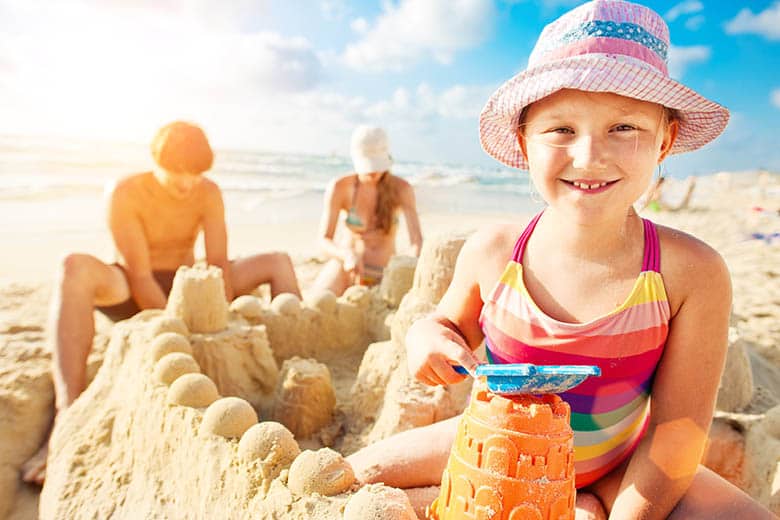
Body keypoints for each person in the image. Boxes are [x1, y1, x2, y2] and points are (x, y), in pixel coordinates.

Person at [347, 1, 774, 518]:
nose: (589, 156)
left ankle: (585, 502)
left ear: (665, 140)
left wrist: (628, 515)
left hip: (622, 465)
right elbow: (445, 325)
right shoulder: (494, 253)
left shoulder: (690, 273)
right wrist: (426, 338)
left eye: (625, 128)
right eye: (562, 130)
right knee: (348, 479)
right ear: (524, 141)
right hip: (499, 439)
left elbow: (675, 433)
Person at [21, 121, 301, 485]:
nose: (187, 185)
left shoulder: (208, 191)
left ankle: (297, 364)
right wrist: (178, 326)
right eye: (176, 177)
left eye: (195, 177)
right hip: (131, 285)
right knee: (73, 268)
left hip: (187, 280)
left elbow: (217, 263)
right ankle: (66, 410)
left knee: (277, 260)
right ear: (155, 162)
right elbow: (139, 277)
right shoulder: (126, 192)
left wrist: (217, 319)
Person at [312, 125, 423, 295]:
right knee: (319, 298)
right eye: (368, 166)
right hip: (347, 268)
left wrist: (404, 268)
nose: (374, 172)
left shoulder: (402, 189)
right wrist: (346, 255)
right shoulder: (340, 187)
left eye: (378, 165)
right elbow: (324, 240)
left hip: (386, 274)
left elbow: (416, 242)